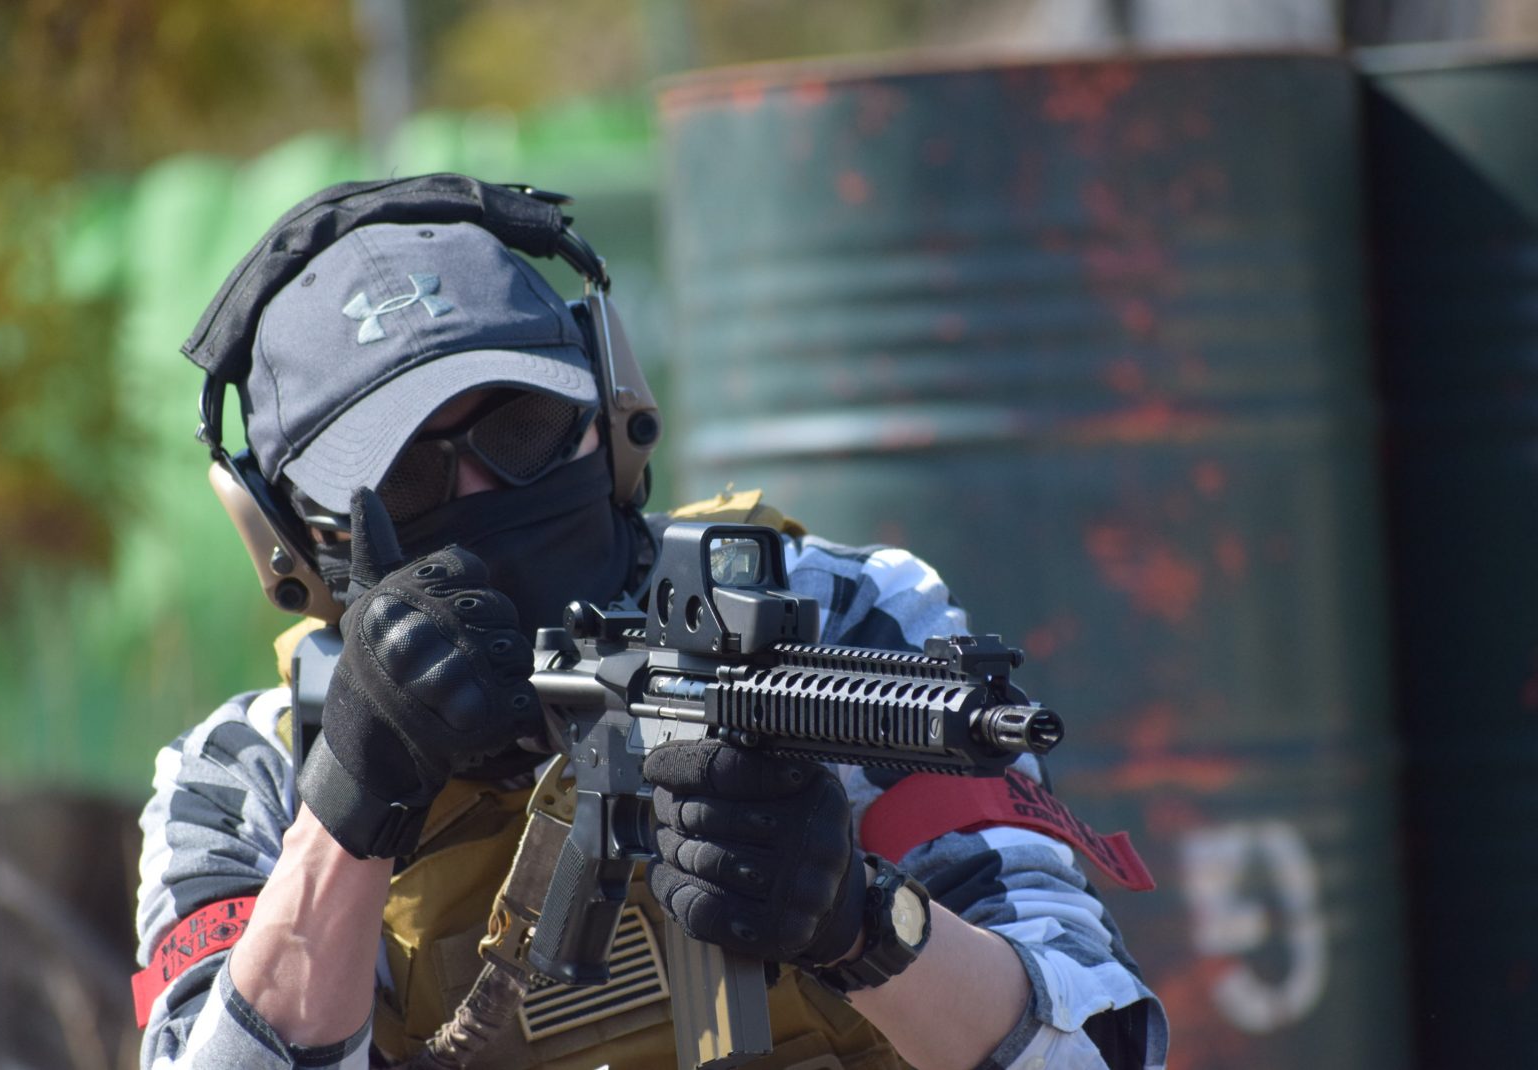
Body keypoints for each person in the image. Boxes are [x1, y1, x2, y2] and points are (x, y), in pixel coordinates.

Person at [133, 175, 1168, 1070]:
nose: (485, 491)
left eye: (525, 428)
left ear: (612, 409)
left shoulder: (840, 619)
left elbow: (1098, 1049)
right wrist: (351, 807)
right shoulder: (248, 778)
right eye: (401, 478)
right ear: (286, 537)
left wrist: (861, 925)